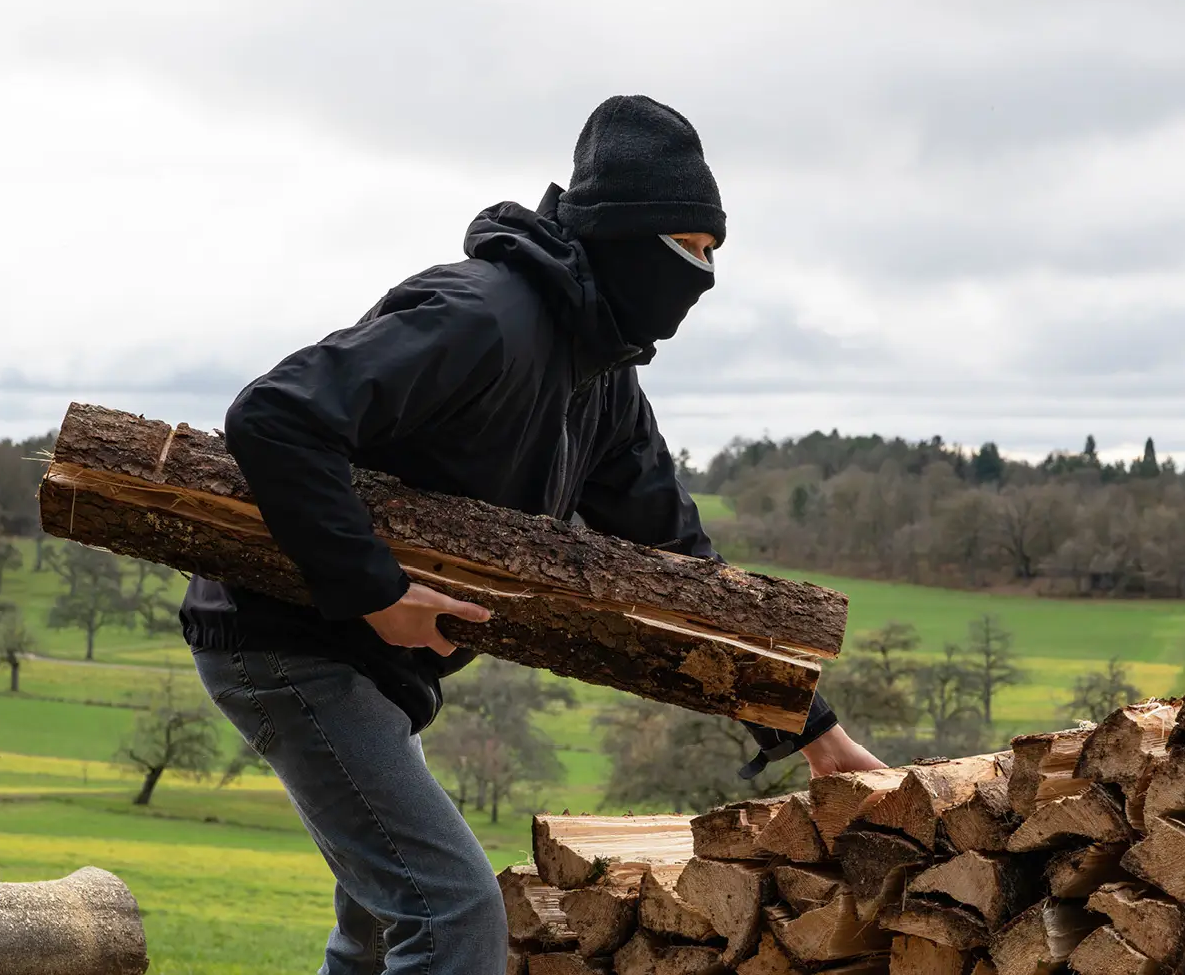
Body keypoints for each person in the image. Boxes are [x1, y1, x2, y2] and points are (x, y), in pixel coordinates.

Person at [179, 95, 882, 975]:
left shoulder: (602, 379)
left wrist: (808, 728)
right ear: (629, 236)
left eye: (712, 256)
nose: (702, 278)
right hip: (287, 637)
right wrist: (376, 591)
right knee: (452, 915)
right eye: (690, 250)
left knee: (377, 929)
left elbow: (678, 565)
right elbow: (277, 416)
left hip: (372, 660)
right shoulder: (482, 316)